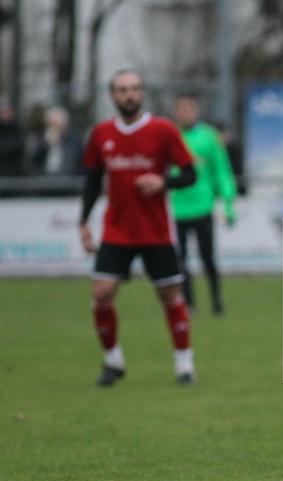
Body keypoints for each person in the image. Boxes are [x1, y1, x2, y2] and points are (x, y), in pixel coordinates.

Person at [80, 69, 198, 386]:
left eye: (134, 88)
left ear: (141, 93)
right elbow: (92, 181)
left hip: (155, 230)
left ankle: (184, 365)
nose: (129, 94)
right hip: (116, 230)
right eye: (122, 89)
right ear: (113, 95)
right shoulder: (101, 133)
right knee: (101, 293)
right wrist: (83, 221)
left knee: (169, 294)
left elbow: (190, 175)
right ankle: (113, 361)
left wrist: (163, 181)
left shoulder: (162, 130)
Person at [169, 93, 238, 314]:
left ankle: (216, 301)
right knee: (180, 262)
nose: (185, 113)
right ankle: (189, 304)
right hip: (177, 209)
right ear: (175, 112)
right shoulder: (169, 136)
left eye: (189, 108)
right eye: (181, 109)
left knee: (208, 258)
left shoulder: (210, 137)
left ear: (196, 111)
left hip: (203, 207)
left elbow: (222, 171)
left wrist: (228, 202)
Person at [30, 106, 83, 175]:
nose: (53, 127)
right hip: (43, 180)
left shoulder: (75, 140)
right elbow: (33, 161)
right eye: (50, 124)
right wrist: (45, 144)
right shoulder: (40, 138)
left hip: (68, 180)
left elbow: (76, 163)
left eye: (56, 123)